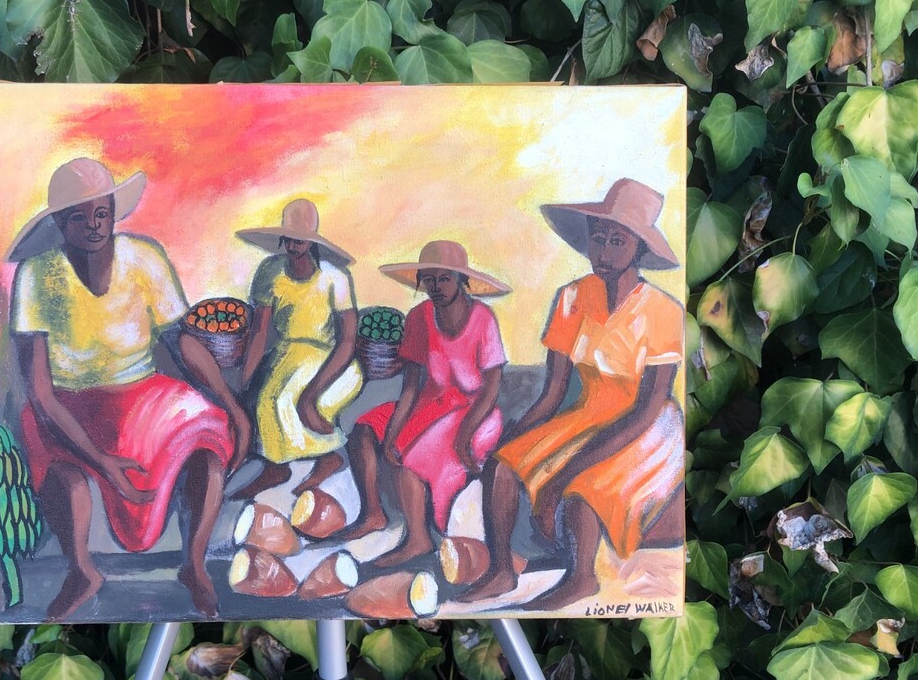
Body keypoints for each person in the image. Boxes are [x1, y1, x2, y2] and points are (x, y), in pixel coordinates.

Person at [8, 157, 252, 620]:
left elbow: (181, 340)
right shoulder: (38, 275)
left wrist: (231, 404)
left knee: (206, 438)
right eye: (79, 217)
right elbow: (40, 392)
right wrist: (100, 460)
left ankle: (194, 565)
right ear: (60, 223)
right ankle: (82, 571)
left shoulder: (143, 257)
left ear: (114, 214)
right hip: (65, 403)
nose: (93, 225)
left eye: (102, 213)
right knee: (62, 471)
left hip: (141, 393)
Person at [463, 178, 685, 609]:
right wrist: (511, 442)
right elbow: (553, 393)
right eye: (598, 238)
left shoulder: (663, 312)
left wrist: (565, 473)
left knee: (586, 483)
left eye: (617, 241)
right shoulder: (571, 297)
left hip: (649, 426)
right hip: (589, 412)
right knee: (503, 465)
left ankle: (581, 578)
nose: (604, 251)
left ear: (639, 248)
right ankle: (501, 571)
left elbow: (646, 410)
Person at [343, 241, 509, 568]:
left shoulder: (482, 318)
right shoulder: (419, 317)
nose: (435, 287)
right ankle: (372, 514)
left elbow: (491, 388)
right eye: (428, 279)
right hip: (430, 404)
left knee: (411, 460)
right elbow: (410, 387)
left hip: (475, 411)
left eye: (444, 278)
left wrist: (464, 436)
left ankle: (418, 539)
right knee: (363, 429)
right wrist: (391, 433)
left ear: (462, 281)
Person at [230, 198, 364, 500]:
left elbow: (347, 341)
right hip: (287, 354)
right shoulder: (271, 271)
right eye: (288, 239)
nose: (293, 245)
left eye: (300, 240)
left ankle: (329, 457)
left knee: (292, 400)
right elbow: (260, 331)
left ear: (312, 241)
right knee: (267, 399)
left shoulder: (334, 277)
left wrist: (311, 393)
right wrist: (245, 380)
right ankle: (275, 468)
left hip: (331, 359)